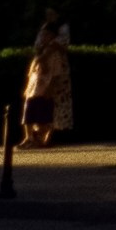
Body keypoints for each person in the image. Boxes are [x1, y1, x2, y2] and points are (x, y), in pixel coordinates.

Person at [22, 10, 74, 148]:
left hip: (47, 85)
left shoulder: (61, 32)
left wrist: (44, 56)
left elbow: (60, 47)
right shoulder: (41, 48)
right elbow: (33, 68)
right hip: (35, 86)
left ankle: (41, 138)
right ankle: (30, 137)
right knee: (30, 112)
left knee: (46, 113)